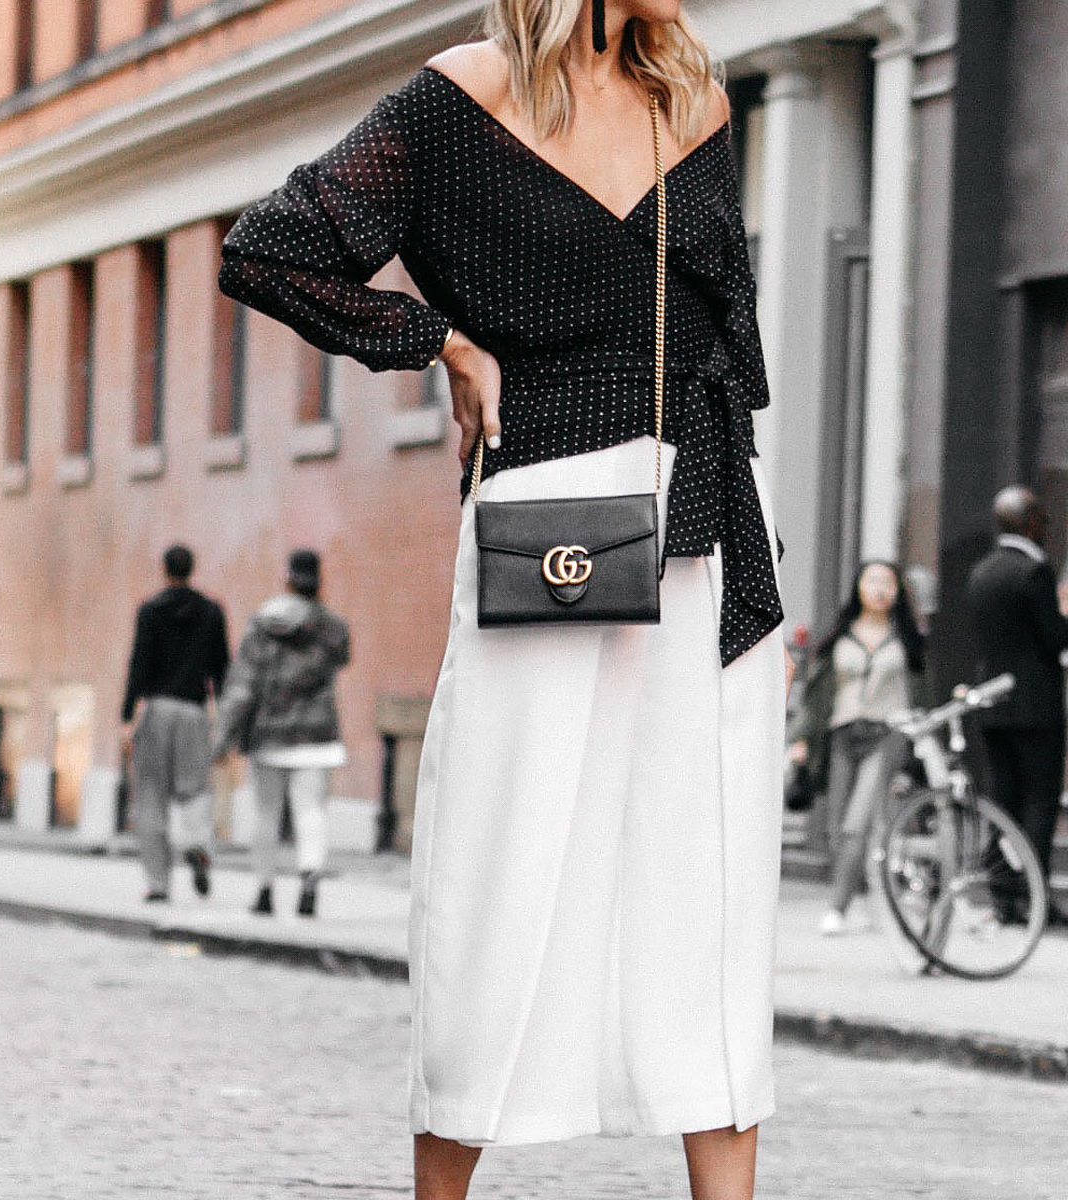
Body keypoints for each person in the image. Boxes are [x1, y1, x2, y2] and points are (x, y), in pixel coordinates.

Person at [219, 2, 789, 1194]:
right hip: (552, 520)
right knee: (504, 853)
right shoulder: (457, 99)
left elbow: (720, 332)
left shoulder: (696, 100)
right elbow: (265, 249)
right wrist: (442, 343)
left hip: (708, 520)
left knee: (712, 875)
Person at [964, 486, 1068, 929]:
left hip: (993, 703)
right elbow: (1054, 637)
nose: (1048, 527)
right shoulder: (1033, 572)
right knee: (1039, 799)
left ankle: (1003, 896)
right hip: (1035, 706)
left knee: (1004, 798)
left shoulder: (980, 572)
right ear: (1031, 522)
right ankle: (1035, 897)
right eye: (1043, 519)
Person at [213, 550, 351, 918]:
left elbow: (243, 686)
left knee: (266, 814)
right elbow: (341, 656)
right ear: (319, 581)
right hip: (318, 736)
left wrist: (223, 736)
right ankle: (308, 881)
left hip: (269, 735)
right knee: (311, 812)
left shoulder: (262, 625)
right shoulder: (333, 628)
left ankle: (264, 890)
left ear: (286, 579)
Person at [791, 561, 926, 935]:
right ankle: (872, 895)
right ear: (859, 588)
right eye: (873, 581)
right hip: (842, 733)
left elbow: (919, 688)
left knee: (856, 824)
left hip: (886, 734)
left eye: (888, 583)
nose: (881, 589)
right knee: (837, 828)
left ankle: (837, 907)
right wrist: (800, 739)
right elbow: (818, 697)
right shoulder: (840, 635)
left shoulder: (906, 637)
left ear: (897, 591)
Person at [121, 545, 230, 904]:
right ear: (192, 569)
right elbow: (222, 670)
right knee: (195, 789)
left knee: (150, 798)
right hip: (195, 711)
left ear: (164, 570)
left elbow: (138, 665)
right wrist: (224, 721)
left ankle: (158, 883)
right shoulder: (211, 612)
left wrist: (126, 716)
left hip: (157, 708)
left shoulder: (150, 611)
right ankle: (197, 843)